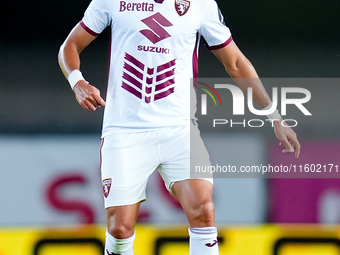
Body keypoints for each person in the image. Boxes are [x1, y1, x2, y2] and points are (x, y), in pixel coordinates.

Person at [58, 0, 300, 254]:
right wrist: (77, 82)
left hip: (180, 130)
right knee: (120, 228)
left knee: (204, 210)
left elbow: (236, 63)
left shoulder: (201, 5)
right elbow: (70, 45)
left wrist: (274, 116)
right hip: (125, 131)